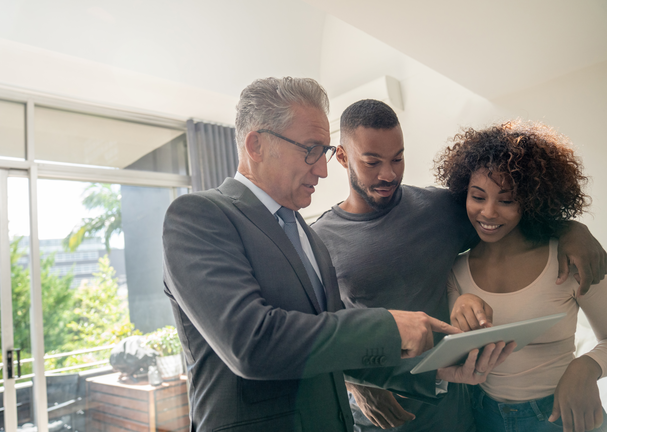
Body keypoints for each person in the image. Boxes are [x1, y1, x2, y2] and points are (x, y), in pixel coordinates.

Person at [162, 78, 510, 432]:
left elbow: (326, 351)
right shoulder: (198, 215)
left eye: (324, 152)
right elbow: (252, 343)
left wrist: (431, 370)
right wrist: (388, 326)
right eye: (310, 150)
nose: (323, 169)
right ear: (257, 144)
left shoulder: (306, 236)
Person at [310, 100, 607, 431]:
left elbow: (511, 217)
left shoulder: (440, 208)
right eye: (371, 162)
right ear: (341, 156)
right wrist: (355, 382)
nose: (389, 174)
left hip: (460, 412)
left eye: (398, 158)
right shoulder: (317, 241)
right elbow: (311, 337)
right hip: (381, 417)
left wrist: (572, 229)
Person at [436, 120, 606, 432]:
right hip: (482, 416)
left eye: (506, 200)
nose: (488, 212)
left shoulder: (569, 259)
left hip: (561, 414)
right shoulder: (454, 270)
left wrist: (587, 366)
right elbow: (451, 355)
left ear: (530, 201)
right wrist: (459, 307)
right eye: (477, 196)